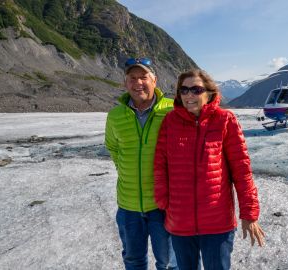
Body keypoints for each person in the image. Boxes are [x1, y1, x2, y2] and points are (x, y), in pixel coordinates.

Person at [154, 69, 265, 270]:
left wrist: (249, 214)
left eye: (196, 89)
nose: (189, 95)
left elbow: (242, 171)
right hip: (180, 221)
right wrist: (164, 202)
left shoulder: (225, 120)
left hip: (217, 223)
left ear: (209, 93)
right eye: (184, 90)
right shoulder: (170, 122)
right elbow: (160, 166)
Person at [105, 57, 177, 270]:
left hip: (163, 205)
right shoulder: (115, 115)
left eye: (143, 77)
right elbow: (113, 147)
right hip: (128, 206)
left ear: (155, 80)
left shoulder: (172, 110)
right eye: (132, 78)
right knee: (133, 261)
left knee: (169, 263)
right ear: (125, 83)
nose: (138, 83)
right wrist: (127, 173)